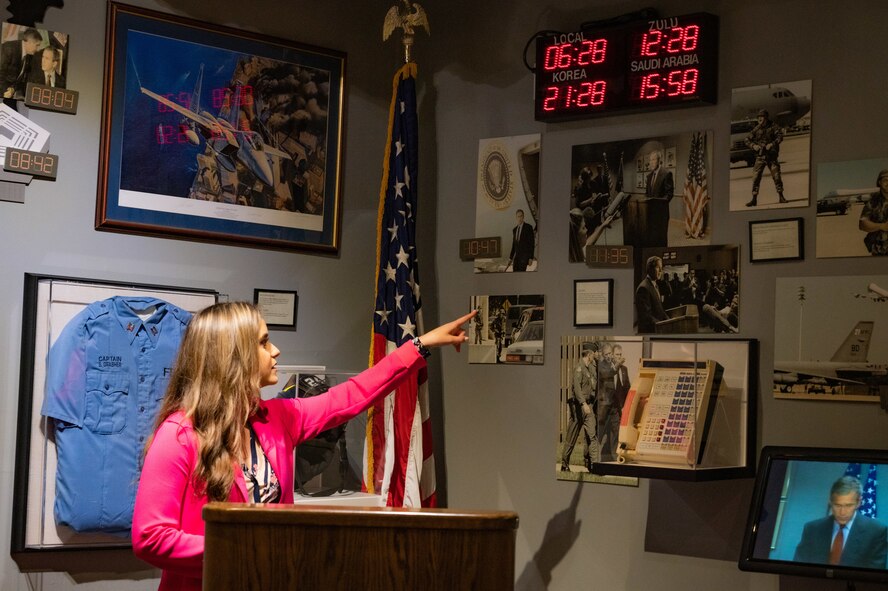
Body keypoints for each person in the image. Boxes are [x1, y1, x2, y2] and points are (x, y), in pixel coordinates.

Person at [131, 302, 474, 591]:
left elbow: (351, 395)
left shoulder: (277, 418)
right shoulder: (178, 436)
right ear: (232, 356)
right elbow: (151, 538)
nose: (275, 350)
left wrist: (419, 345)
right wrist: (247, 549)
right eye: (264, 342)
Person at [793, 476, 887, 569]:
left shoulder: (876, 532)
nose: (842, 512)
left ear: (859, 502)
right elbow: (799, 567)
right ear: (830, 501)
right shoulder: (812, 529)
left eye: (848, 505)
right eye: (838, 505)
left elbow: (874, 575)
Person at [560, 341, 601, 472]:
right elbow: (577, 388)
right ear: (589, 354)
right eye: (594, 353)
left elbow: (596, 383)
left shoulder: (592, 368)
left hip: (588, 407)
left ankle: (594, 466)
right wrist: (583, 403)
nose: (595, 355)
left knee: (592, 435)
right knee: (571, 437)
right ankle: (564, 464)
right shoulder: (579, 368)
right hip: (578, 406)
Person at [744, 109, 787, 207]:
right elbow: (746, 139)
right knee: (756, 178)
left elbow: (780, 136)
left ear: (766, 118)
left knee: (777, 177)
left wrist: (772, 144)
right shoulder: (756, 129)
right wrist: (753, 146)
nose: (760, 119)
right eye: (758, 117)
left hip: (771, 157)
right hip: (760, 157)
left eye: (762, 117)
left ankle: (781, 196)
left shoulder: (773, 126)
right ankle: (754, 199)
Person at [0, 27, 42, 99]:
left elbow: (21, 77)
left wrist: (13, 89)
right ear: (29, 42)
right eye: (37, 45)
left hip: (11, 92)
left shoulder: (30, 55)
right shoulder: (8, 49)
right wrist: (5, 91)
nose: (37, 49)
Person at [643, 151, 674, 246]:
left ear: (659, 161)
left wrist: (658, 204)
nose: (651, 162)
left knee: (661, 239)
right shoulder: (649, 176)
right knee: (651, 238)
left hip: (661, 213)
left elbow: (669, 194)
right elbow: (647, 194)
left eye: (653, 159)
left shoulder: (666, 173)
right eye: (650, 160)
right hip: (649, 214)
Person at [596, 343, 620, 462]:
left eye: (610, 353)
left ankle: (613, 455)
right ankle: (595, 456)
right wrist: (616, 366)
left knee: (616, 428)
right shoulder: (601, 365)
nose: (609, 356)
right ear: (603, 355)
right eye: (606, 354)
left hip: (614, 404)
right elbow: (607, 374)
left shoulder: (617, 366)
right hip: (604, 403)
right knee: (601, 431)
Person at [635, 255, 669, 333]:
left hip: (656, 329)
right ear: (650, 269)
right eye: (658, 267)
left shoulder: (655, 285)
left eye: (661, 268)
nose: (661, 270)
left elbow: (660, 310)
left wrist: (668, 320)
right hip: (649, 332)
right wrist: (662, 325)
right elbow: (646, 317)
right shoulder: (643, 288)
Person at [859, 169, 888, 255]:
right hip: (880, 251)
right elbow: (862, 224)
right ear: (879, 182)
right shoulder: (873, 200)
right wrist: (882, 226)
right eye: (885, 180)